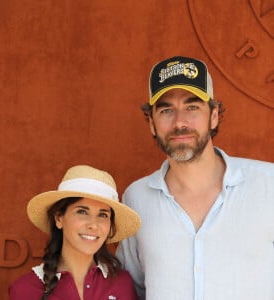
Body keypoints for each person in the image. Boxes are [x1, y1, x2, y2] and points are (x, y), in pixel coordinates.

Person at [116, 55, 274, 300]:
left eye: (192, 107)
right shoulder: (136, 199)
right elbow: (130, 290)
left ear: (213, 116)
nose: (180, 122)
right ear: (151, 123)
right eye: (166, 110)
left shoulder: (268, 185)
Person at [9, 165, 141, 300]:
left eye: (103, 215)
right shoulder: (25, 289)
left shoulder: (122, 284)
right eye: (82, 212)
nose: (93, 225)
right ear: (59, 218)